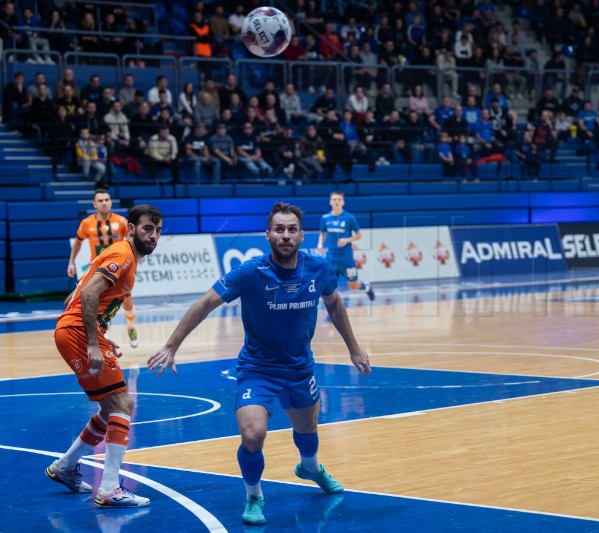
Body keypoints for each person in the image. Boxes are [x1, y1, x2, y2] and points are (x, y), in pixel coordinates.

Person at [147, 202, 370, 525]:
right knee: (253, 435)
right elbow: (206, 302)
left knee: (307, 430)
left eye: (292, 230)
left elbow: (334, 305)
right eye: (279, 229)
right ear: (267, 235)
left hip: (299, 368)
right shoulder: (251, 272)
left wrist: (354, 349)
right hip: (257, 370)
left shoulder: (318, 268)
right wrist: (171, 345)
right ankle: (254, 496)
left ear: (301, 235)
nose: (285, 235)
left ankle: (310, 468)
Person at [48, 204, 162, 507]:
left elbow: (73, 296)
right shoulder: (123, 255)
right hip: (75, 333)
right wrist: (92, 343)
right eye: (148, 228)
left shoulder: (122, 255)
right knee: (123, 403)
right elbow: (86, 295)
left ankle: (65, 467)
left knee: (109, 408)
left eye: (158, 230)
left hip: (75, 329)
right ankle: (110, 487)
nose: (154, 236)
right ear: (132, 228)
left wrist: (100, 335)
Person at [67, 189, 141, 347]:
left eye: (107, 200)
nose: (104, 203)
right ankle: (97, 336)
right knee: (90, 301)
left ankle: (131, 327)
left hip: (120, 270)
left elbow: (132, 240)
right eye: (100, 201)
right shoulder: (87, 223)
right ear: (94, 204)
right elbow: (78, 242)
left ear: (111, 202)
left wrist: (135, 259)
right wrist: (71, 262)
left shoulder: (121, 221)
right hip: (97, 270)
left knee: (126, 302)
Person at [317, 192, 376, 301]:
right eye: (334, 199)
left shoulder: (349, 218)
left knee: (353, 285)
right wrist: (320, 243)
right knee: (329, 286)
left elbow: (359, 235)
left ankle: (366, 287)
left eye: (339, 199)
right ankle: (331, 314)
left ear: (343, 202)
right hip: (331, 257)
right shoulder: (325, 218)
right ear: (330, 202)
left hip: (346, 257)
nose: (336, 202)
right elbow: (322, 233)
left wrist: (347, 240)